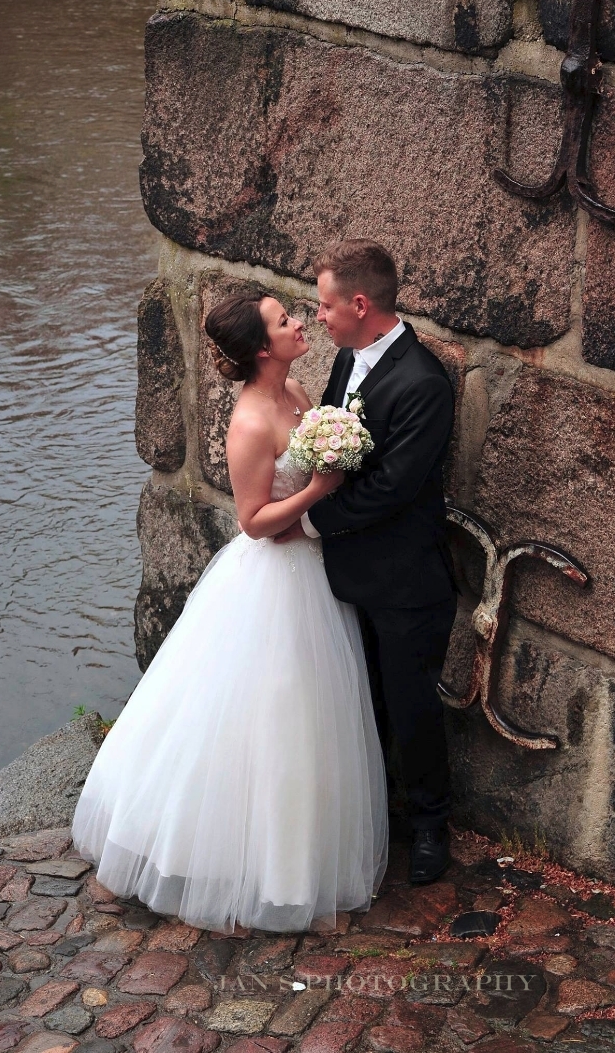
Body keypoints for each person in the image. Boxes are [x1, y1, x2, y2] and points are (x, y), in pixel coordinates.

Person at [71, 292, 388, 935]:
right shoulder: (247, 424)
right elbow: (253, 522)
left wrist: (338, 465)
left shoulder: (297, 392)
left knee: (304, 725)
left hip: (314, 577)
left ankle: (293, 875)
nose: (301, 322)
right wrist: (320, 489)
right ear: (262, 349)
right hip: (271, 582)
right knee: (252, 717)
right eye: (284, 320)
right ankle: (217, 870)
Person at [275, 239, 458, 885]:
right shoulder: (349, 359)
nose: (317, 317)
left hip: (406, 579)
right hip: (347, 570)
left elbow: (396, 486)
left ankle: (432, 826)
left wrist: (307, 519)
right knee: (358, 702)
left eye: (324, 305)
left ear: (359, 303)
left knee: (410, 706)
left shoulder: (423, 382)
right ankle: (371, 816)